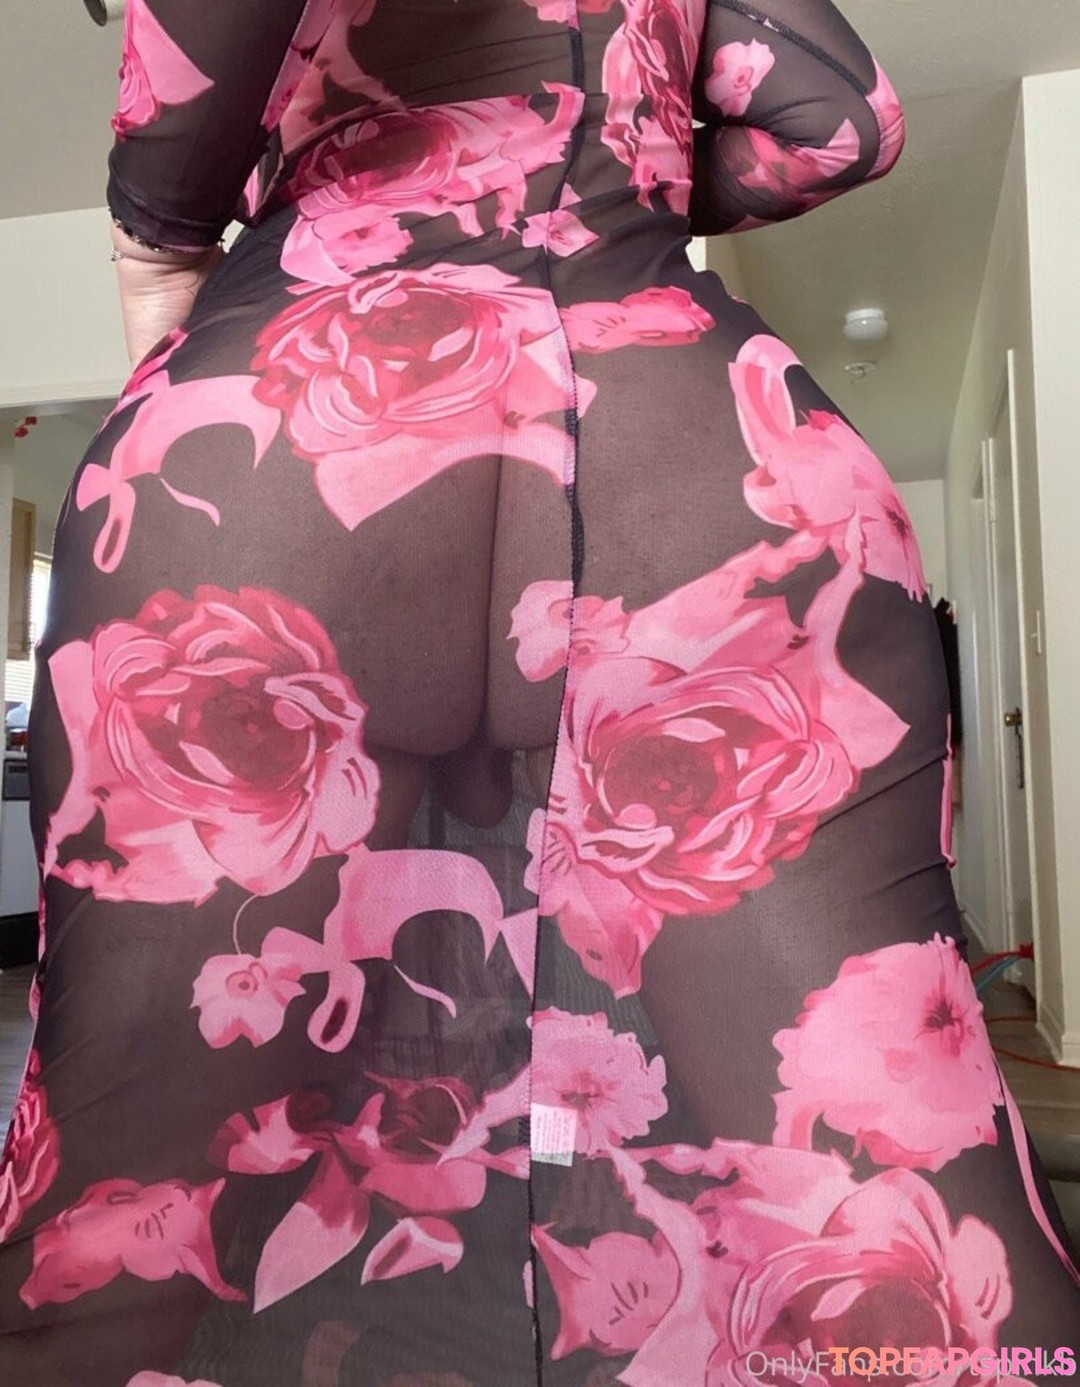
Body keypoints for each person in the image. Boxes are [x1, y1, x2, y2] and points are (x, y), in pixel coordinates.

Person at [1, 1, 1078, 1382]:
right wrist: (628, 182)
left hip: (304, 412)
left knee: (121, 1184)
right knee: (884, 1208)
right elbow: (840, 123)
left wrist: (158, 244)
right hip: (687, 436)